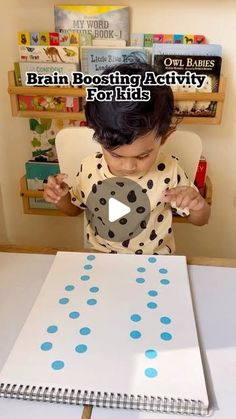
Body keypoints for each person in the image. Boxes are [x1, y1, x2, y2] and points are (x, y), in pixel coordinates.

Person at [44, 62, 210, 255]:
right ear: (97, 136)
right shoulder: (89, 167)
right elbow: (74, 210)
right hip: (101, 259)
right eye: (115, 155)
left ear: (164, 137)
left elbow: (202, 220)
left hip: (155, 262)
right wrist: (61, 198)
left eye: (143, 155)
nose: (129, 166)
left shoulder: (169, 170)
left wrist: (197, 205)